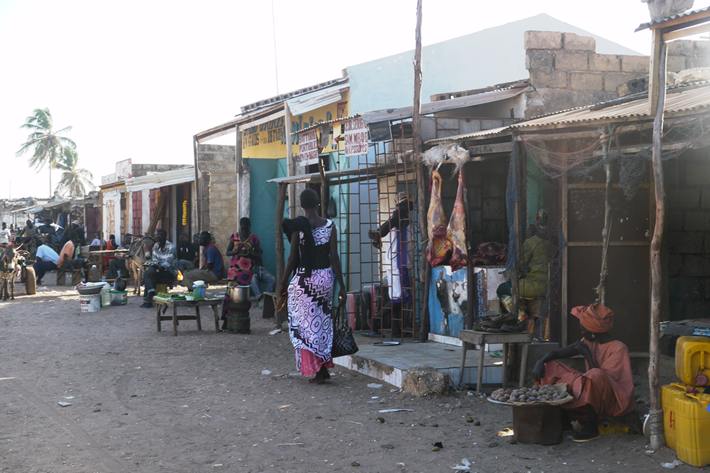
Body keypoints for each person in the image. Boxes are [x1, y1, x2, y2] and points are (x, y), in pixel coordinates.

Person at [532, 303, 634, 442]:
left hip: (612, 399)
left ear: (593, 333)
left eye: (583, 330)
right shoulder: (589, 340)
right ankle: (563, 415)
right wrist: (541, 360)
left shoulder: (619, 348)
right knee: (550, 365)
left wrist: (587, 354)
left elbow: (602, 382)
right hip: (589, 385)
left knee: (595, 375)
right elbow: (559, 353)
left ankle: (590, 425)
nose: (581, 333)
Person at [281, 189, 346, 384]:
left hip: (304, 281)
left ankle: (317, 368)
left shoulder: (299, 227)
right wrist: (342, 285)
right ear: (318, 203)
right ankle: (323, 367)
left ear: (302, 205)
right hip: (325, 279)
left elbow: (292, 258)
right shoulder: (330, 226)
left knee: (304, 326)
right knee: (322, 323)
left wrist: (282, 284)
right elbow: (334, 257)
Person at [491, 209, 551, 332]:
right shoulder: (552, 242)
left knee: (502, 289)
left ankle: (519, 318)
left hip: (533, 285)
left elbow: (520, 264)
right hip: (548, 284)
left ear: (536, 221)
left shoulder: (531, 242)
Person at [227, 217, 274, 300]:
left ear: (249, 227)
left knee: (252, 276)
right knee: (235, 276)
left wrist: (251, 253)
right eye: (243, 229)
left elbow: (259, 253)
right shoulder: (234, 237)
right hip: (235, 268)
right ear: (240, 227)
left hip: (249, 268)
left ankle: (264, 298)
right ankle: (255, 297)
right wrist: (235, 252)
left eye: (246, 229)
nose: (244, 231)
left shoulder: (253, 238)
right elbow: (228, 252)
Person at [140, 229, 176, 308]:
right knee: (149, 273)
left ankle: (149, 299)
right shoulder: (156, 246)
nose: (157, 237)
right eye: (156, 236)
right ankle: (151, 293)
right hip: (157, 271)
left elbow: (168, 263)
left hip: (168, 273)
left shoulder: (171, 247)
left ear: (164, 237)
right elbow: (154, 260)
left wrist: (157, 266)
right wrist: (154, 265)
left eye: (159, 236)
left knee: (148, 275)